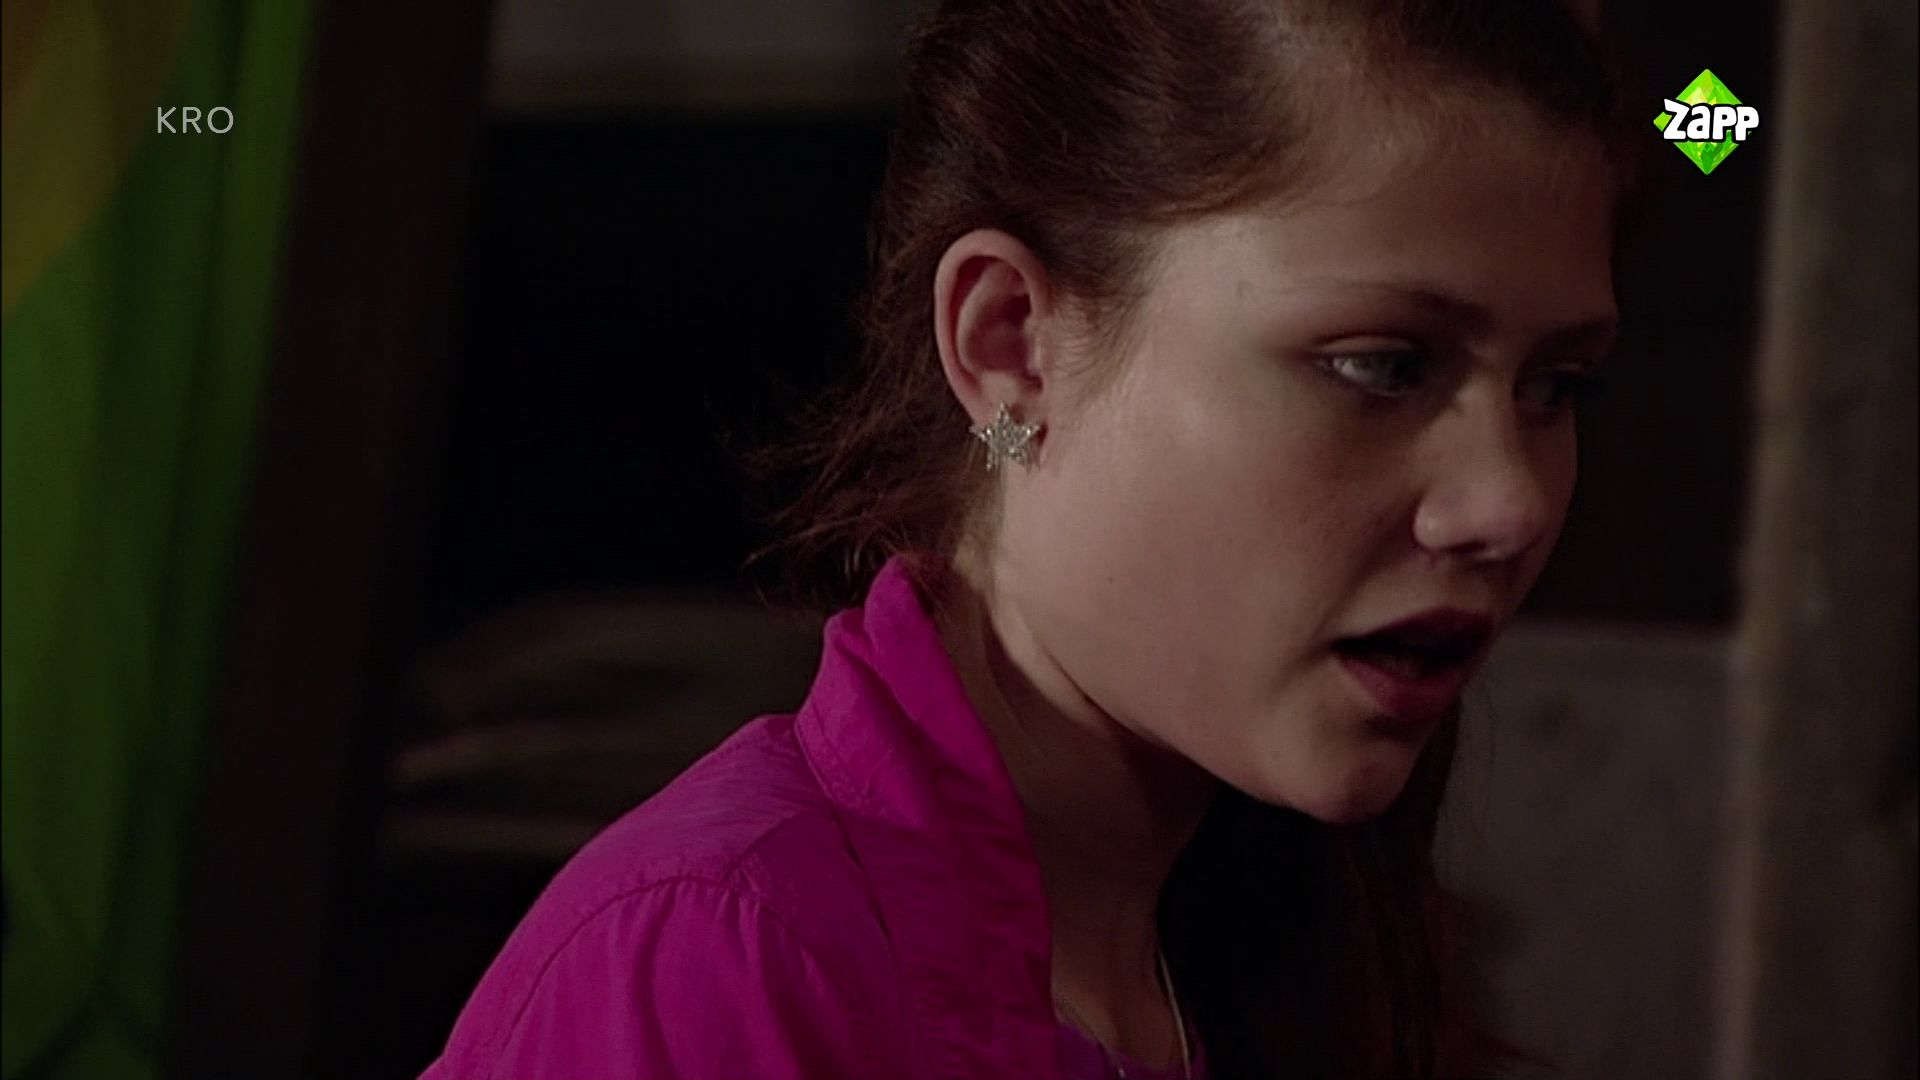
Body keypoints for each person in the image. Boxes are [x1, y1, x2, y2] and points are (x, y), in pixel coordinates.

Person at [422, 0, 1643, 1076]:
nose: (1509, 503)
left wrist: (1697, 93)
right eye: (1380, 366)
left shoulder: (1288, 956)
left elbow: (1721, 127)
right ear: (1009, 345)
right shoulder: (722, 958)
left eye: (1557, 387)